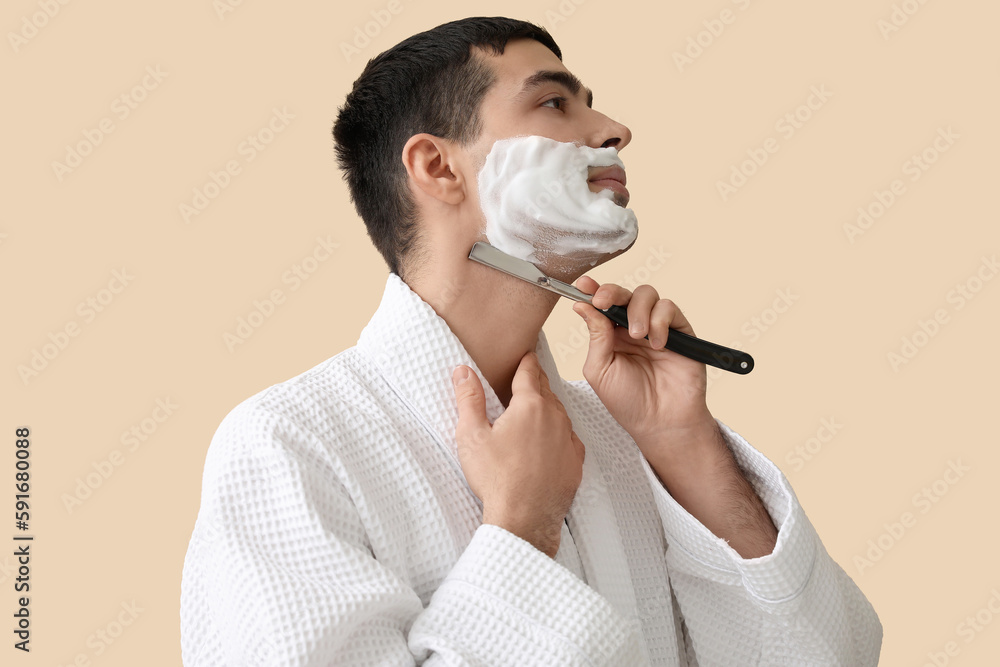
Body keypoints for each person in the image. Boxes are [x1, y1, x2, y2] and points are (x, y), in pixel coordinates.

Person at [180, 16, 883, 665]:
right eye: (554, 103)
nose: (613, 129)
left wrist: (684, 444)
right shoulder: (287, 447)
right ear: (438, 167)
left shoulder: (621, 434)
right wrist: (524, 524)